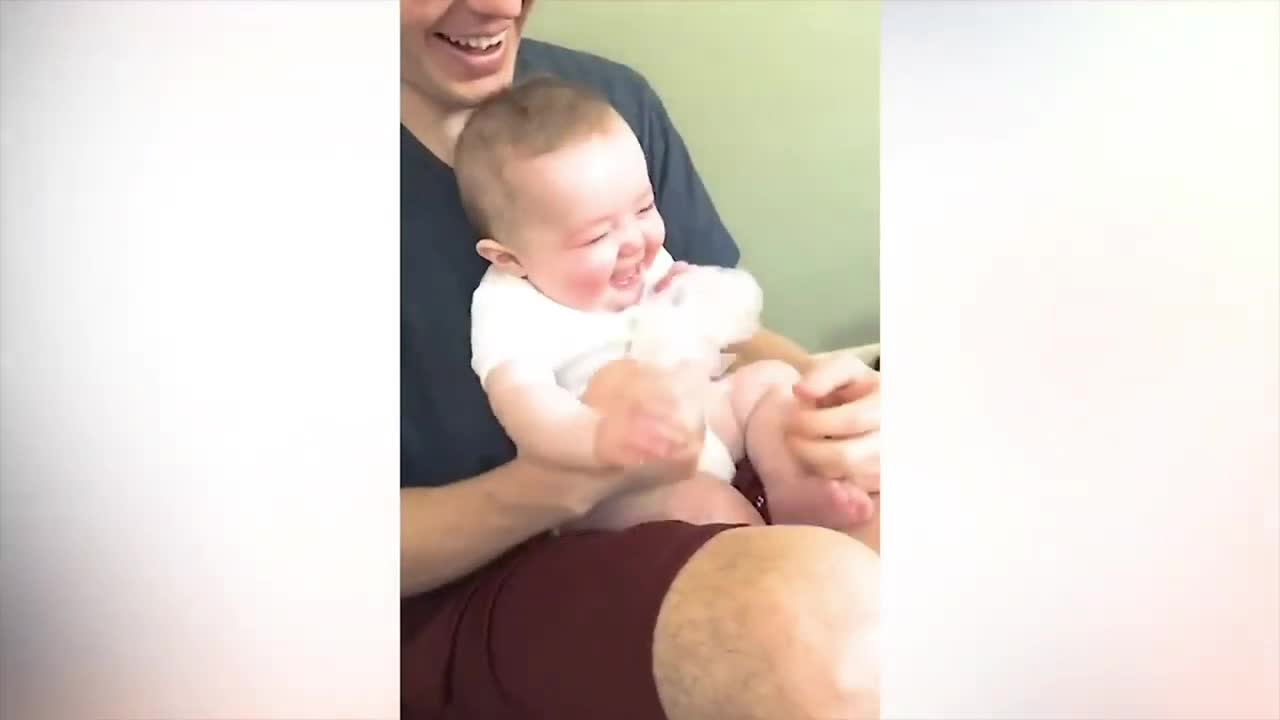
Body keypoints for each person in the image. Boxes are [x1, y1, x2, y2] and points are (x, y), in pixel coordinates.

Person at [400, 1, 883, 718]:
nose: (500, 5)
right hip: (474, 574)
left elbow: (728, 330)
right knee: (805, 615)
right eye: (597, 233)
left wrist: (830, 404)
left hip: (701, 432)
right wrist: (580, 467)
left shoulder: (605, 105)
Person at [456, 75, 876, 532]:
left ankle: (794, 494)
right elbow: (523, 404)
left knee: (769, 383)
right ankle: (754, 542)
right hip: (621, 482)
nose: (635, 242)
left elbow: (725, 338)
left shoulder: (641, 262)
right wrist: (598, 441)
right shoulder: (509, 309)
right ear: (510, 258)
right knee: (708, 507)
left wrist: (698, 299)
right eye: (597, 235)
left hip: (702, 420)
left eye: (643, 209)